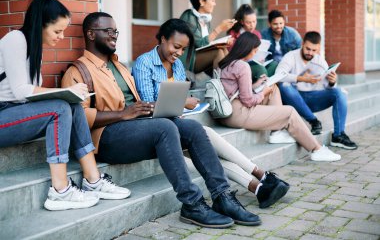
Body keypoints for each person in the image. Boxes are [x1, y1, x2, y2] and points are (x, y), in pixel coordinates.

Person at [62, 12, 263, 228]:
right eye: (108, 31)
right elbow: (78, 118)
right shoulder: (78, 71)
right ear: (91, 34)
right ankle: (192, 203)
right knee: (165, 128)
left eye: (116, 31)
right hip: (106, 138)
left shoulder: (119, 67)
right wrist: (124, 113)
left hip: (137, 128)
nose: (114, 36)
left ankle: (222, 196)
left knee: (194, 128)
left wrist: (145, 110)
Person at [132, 18, 290, 209]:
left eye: (183, 49)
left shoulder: (178, 66)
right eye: (176, 46)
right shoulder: (144, 62)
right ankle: (262, 179)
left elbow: (174, 99)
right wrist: (183, 102)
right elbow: (148, 107)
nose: (179, 53)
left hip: (176, 122)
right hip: (156, 129)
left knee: (205, 142)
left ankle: (260, 184)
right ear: (163, 39)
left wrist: (184, 107)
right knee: (205, 147)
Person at [0, 0, 130, 211]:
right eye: (58, 31)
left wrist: (69, 94)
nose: (61, 37)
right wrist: (59, 94)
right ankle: (60, 190)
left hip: (16, 114)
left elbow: (27, 95)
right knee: (60, 107)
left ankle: (93, 180)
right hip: (4, 115)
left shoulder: (33, 49)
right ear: (41, 24)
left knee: (72, 104)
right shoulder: (15, 39)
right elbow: (22, 91)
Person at [218, 31, 342, 162]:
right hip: (238, 113)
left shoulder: (229, 63)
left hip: (231, 110)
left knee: (273, 89)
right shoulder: (243, 66)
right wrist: (262, 92)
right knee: (289, 111)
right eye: (255, 51)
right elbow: (248, 101)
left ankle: (276, 133)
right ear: (247, 49)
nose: (255, 54)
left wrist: (257, 85)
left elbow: (238, 91)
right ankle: (316, 149)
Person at [275, 31, 358, 150]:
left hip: (311, 99)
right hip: (292, 98)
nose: (310, 53)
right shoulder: (291, 56)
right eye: (308, 49)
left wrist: (332, 82)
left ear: (318, 48)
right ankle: (314, 121)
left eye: (314, 50)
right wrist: (302, 79)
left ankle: (338, 135)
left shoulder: (320, 62)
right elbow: (278, 75)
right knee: (284, 86)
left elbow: (328, 88)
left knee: (339, 92)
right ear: (302, 44)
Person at [179, 0, 236, 78]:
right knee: (218, 52)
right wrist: (219, 28)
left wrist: (223, 42)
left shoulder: (206, 19)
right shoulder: (189, 18)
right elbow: (201, 44)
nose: (215, 4)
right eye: (213, 0)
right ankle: (218, 86)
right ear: (202, 1)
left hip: (199, 56)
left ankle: (229, 81)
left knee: (223, 49)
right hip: (189, 60)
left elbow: (208, 43)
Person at [228, 4, 278, 81]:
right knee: (261, 70)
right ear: (242, 22)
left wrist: (261, 58)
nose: (252, 25)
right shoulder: (233, 34)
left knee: (274, 64)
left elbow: (260, 51)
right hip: (241, 65)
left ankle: (262, 83)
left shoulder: (257, 34)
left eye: (254, 21)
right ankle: (261, 86)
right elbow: (231, 55)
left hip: (256, 63)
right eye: (249, 22)